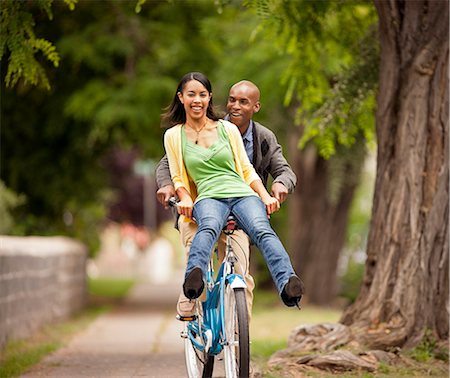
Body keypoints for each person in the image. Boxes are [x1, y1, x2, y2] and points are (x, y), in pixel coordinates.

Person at [161, 72, 304, 314]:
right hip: (207, 197)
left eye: (202, 95)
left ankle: (286, 284)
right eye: (191, 94)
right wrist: (181, 195)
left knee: (262, 232)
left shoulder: (228, 129)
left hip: (242, 194)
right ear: (181, 98)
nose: (235, 106)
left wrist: (268, 194)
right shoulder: (175, 136)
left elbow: (249, 170)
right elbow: (171, 170)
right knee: (206, 229)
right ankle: (192, 286)